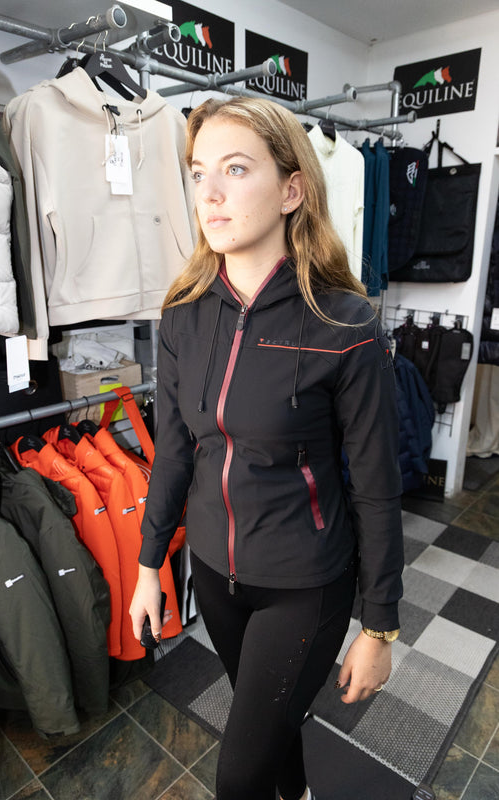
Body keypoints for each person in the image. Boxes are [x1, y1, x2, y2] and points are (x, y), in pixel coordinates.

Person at [129, 96, 404, 800]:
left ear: (290, 189)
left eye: (235, 169)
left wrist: (379, 625)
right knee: (272, 729)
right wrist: (146, 564)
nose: (210, 193)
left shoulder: (344, 325)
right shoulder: (183, 315)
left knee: (238, 775)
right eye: (198, 173)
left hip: (304, 582)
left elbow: (375, 485)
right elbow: (174, 453)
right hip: (215, 575)